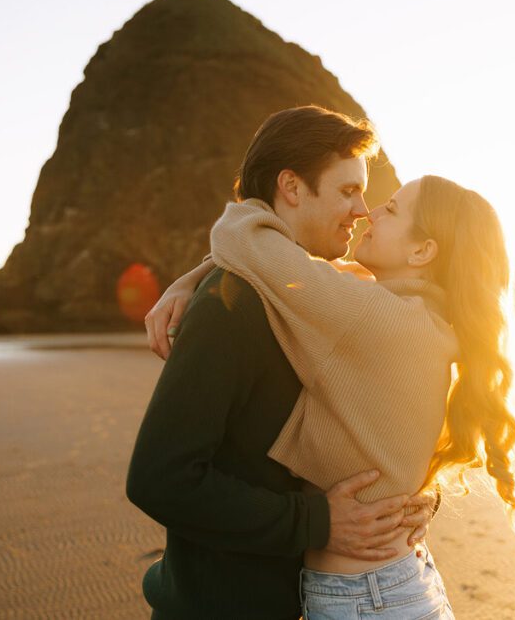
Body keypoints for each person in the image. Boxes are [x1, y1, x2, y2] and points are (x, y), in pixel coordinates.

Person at [153, 170, 515, 616]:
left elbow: (243, 239)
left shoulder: (373, 316)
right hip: (393, 585)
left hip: (364, 599)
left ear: (422, 250)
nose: (371, 211)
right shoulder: (422, 321)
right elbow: (285, 266)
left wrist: (189, 279)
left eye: (390, 210)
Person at [126, 106, 437, 619]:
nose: (363, 209)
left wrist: (409, 499)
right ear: (292, 187)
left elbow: (368, 429)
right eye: (346, 191)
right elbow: (160, 478)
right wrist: (315, 522)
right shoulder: (232, 304)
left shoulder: (317, 299)